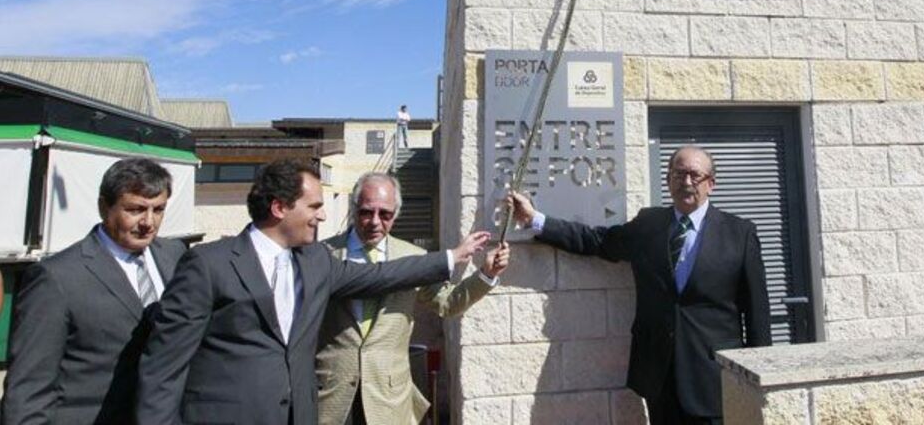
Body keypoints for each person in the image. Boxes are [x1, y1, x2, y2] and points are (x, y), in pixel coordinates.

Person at [137, 158, 490, 425]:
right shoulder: (207, 264)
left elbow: (383, 275)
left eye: (386, 214)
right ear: (279, 208)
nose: (322, 216)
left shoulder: (314, 261)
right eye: (315, 206)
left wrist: (451, 259)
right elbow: (163, 367)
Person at [509, 146, 771, 425]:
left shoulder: (740, 234)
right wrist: (535, 220)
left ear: (711, 184)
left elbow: (757, 314)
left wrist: (759, 379)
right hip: (658, 377)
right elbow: (598, 241)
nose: (686, 182)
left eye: (695, 175)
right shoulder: (649, 224)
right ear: (668, 179)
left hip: (712, 380)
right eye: (678, 174)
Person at [1, 158, 186, 424]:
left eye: (158, 210)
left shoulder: (176, 256)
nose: (149, 222)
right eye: (135, 209)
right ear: (103, 206)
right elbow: (29, 387)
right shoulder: (56, 278)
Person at [316, 172, 510, 425]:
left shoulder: (413, 257)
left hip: (388, 400)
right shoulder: (322, 255)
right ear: (354, 209)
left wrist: (486, 274)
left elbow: (447, 302)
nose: (375, 221)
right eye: (366, 212)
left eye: (384, 214)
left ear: (395, 215)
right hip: (332, 398)